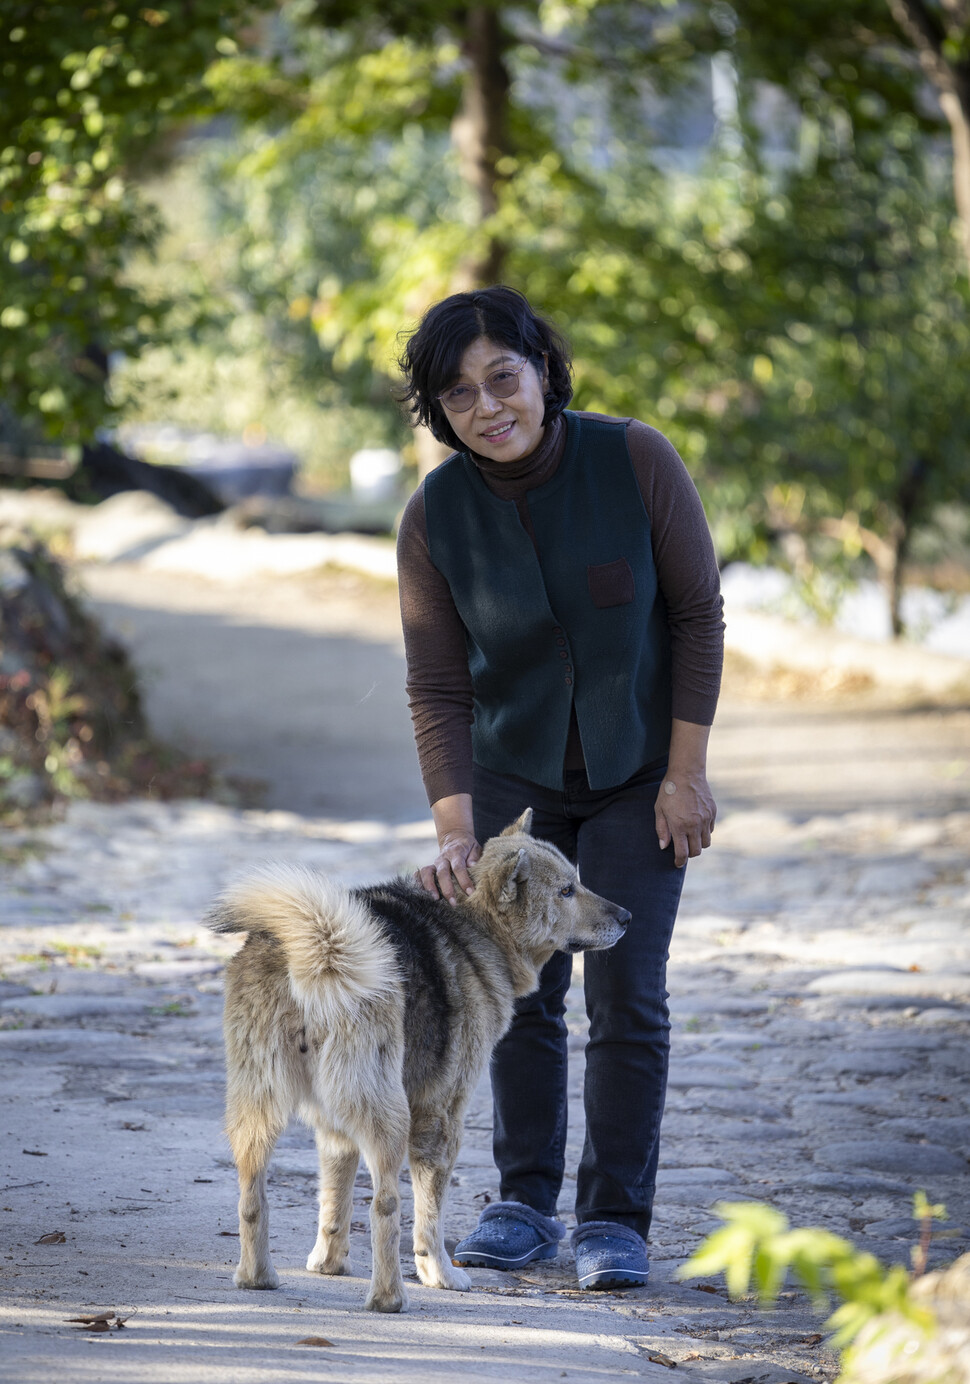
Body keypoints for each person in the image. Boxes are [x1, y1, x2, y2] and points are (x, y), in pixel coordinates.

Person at [395, 285, 723, 1291]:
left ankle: (613, 1219)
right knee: (518, 993)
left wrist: (685, 775)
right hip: (512, 778)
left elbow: (696, 616)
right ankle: (523, 1201)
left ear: (542, 369)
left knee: (627, 990)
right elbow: (439, 686)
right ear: (439, 412)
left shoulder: (634, 458)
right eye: (458, 394)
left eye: (504, 377)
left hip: (636, 776)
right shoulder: (434, 517)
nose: (487, 405)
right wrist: (456, 827)